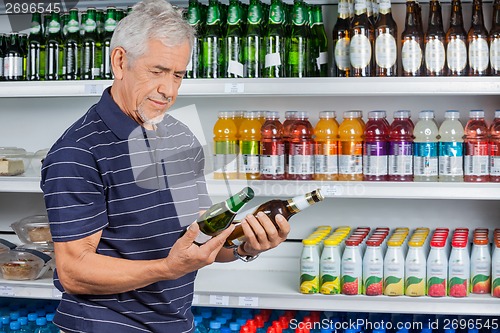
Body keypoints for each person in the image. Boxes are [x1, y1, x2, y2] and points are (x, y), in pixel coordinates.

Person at [40, 1, 290, 332]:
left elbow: (198, 239)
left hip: (176, 323)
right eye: (157, 71)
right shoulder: (78, 151)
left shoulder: (179, 133)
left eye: (178, 75)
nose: (168, 90)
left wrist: (246, 245)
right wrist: (166, 268)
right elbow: (73, 271)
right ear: (120, 61)